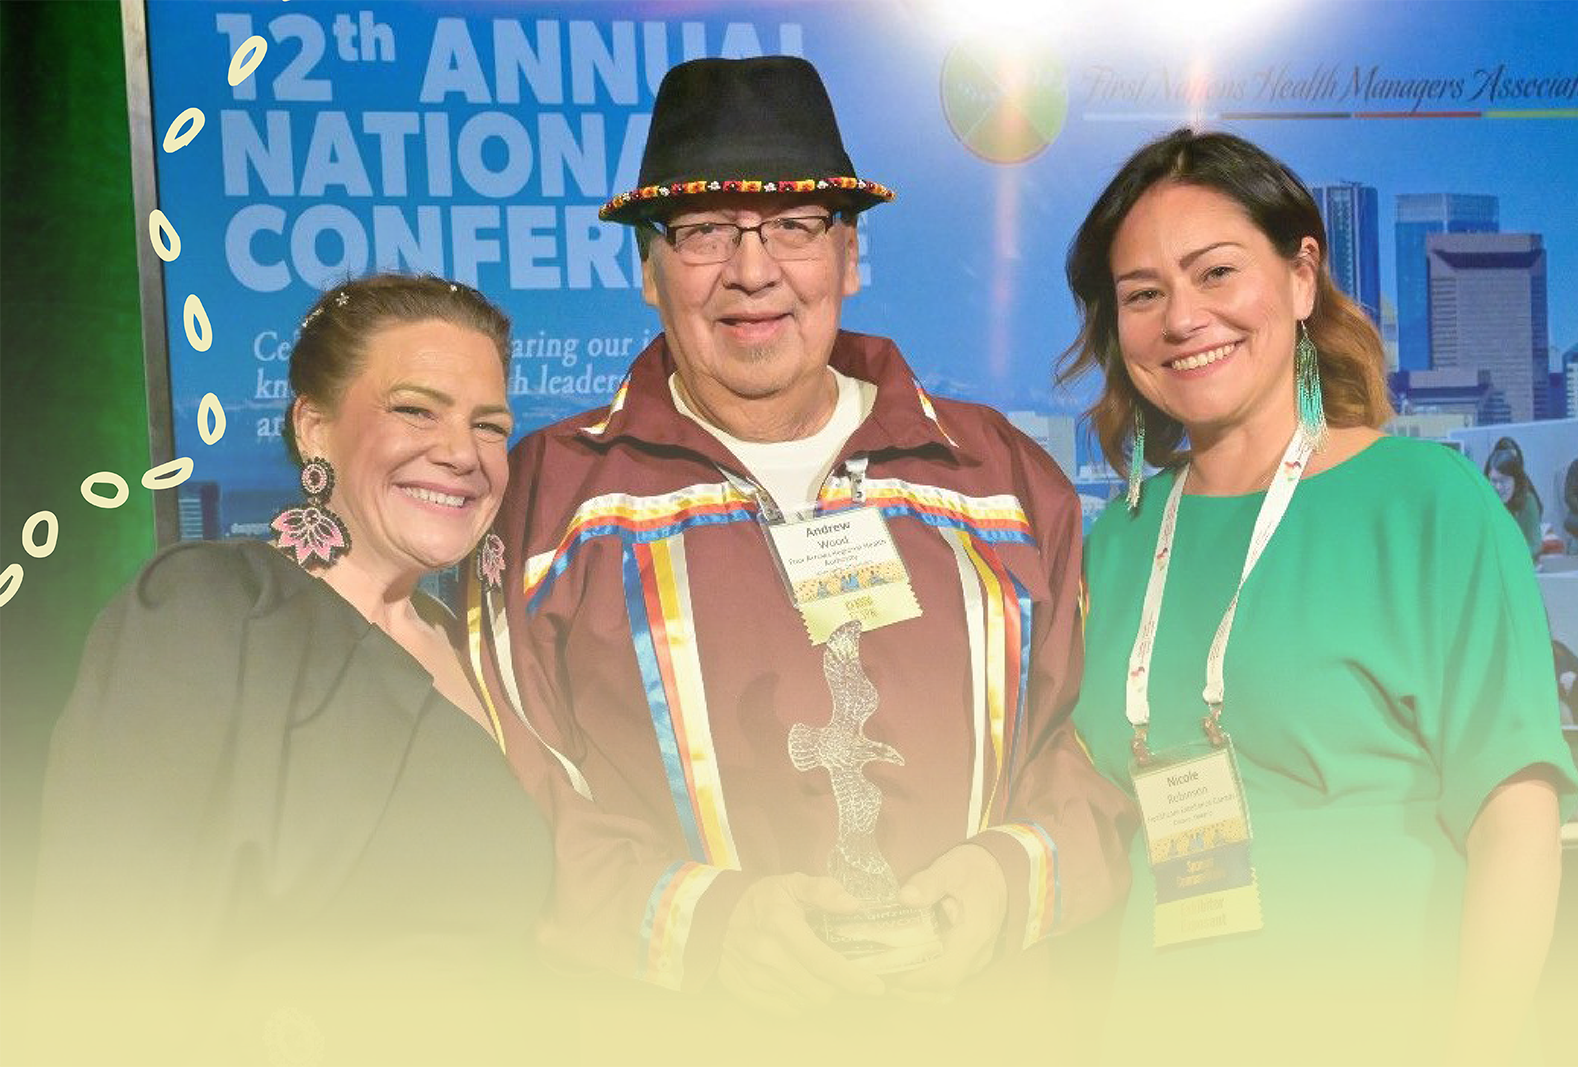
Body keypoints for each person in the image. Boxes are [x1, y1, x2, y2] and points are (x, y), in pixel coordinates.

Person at [472, 56, 1133, 1023]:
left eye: (795, 225)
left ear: (849, 255)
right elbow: (512, 785)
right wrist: (708, 925)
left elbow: (1095, 741)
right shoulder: (548, 502)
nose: (753, 271)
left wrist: (1004, 879)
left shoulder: (1000, 479)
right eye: (704, 231)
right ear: (648, 270)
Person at [1058, 130, 1578, 1064]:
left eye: (1216, 273)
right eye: (1143, 294)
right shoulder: (1120, 540)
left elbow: (1515, 819)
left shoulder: (1428, 504)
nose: (1183, 317)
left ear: (1301, 278)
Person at [30, 274, 552, 1054]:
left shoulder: (489, 650)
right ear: (315, 428)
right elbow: (101, 952)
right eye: (416, 410)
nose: (460, 452)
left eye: (489, 425)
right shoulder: (213, 614)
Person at [1484, 436, 1543, 558]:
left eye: (1504, 480)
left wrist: (1512, 558)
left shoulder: (1528, 501)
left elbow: (1535, 544)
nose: (1498, 487)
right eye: (1494, 481)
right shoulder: (1483, 502)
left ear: (1516, 481)